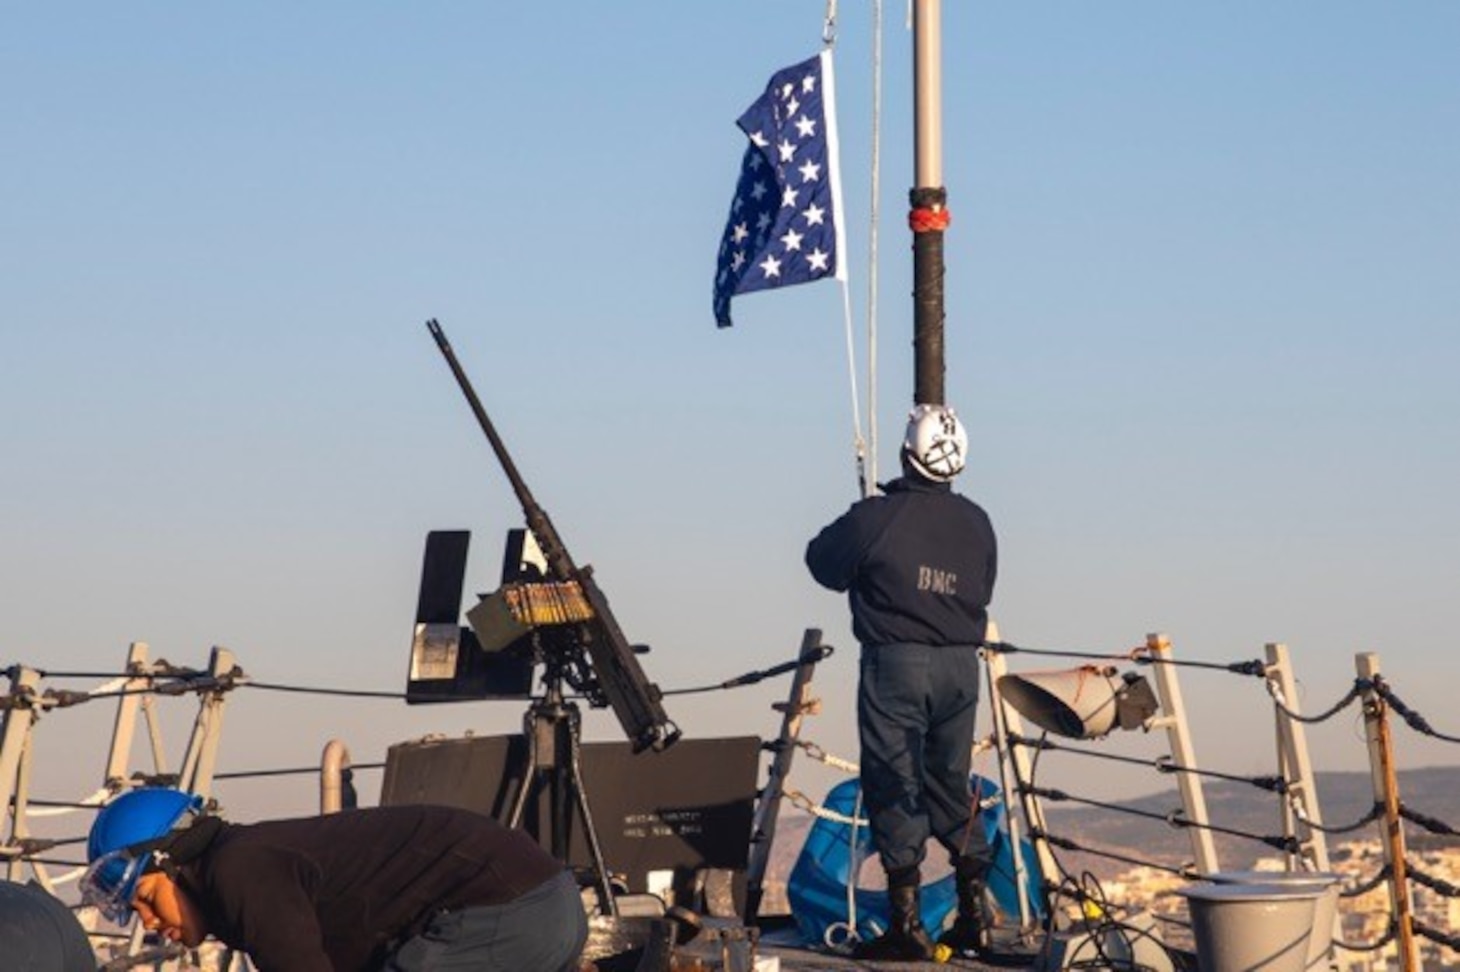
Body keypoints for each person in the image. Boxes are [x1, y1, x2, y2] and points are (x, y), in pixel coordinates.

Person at [805, 403, 997, 962]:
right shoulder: (978, 521)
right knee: (950, 782)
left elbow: (821, 562)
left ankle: (906, 925)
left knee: (893, 779)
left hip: (897, 663)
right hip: (962, 665)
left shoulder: (878, 515)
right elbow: (983, 584)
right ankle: (975, 916)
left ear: (906, 454)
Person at [81, 787, 588, 972]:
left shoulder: (239, 872)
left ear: (172, 862)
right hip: (541, 905)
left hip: (510, 910)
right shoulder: (251, 860)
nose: (147, 922)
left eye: (146, 898)